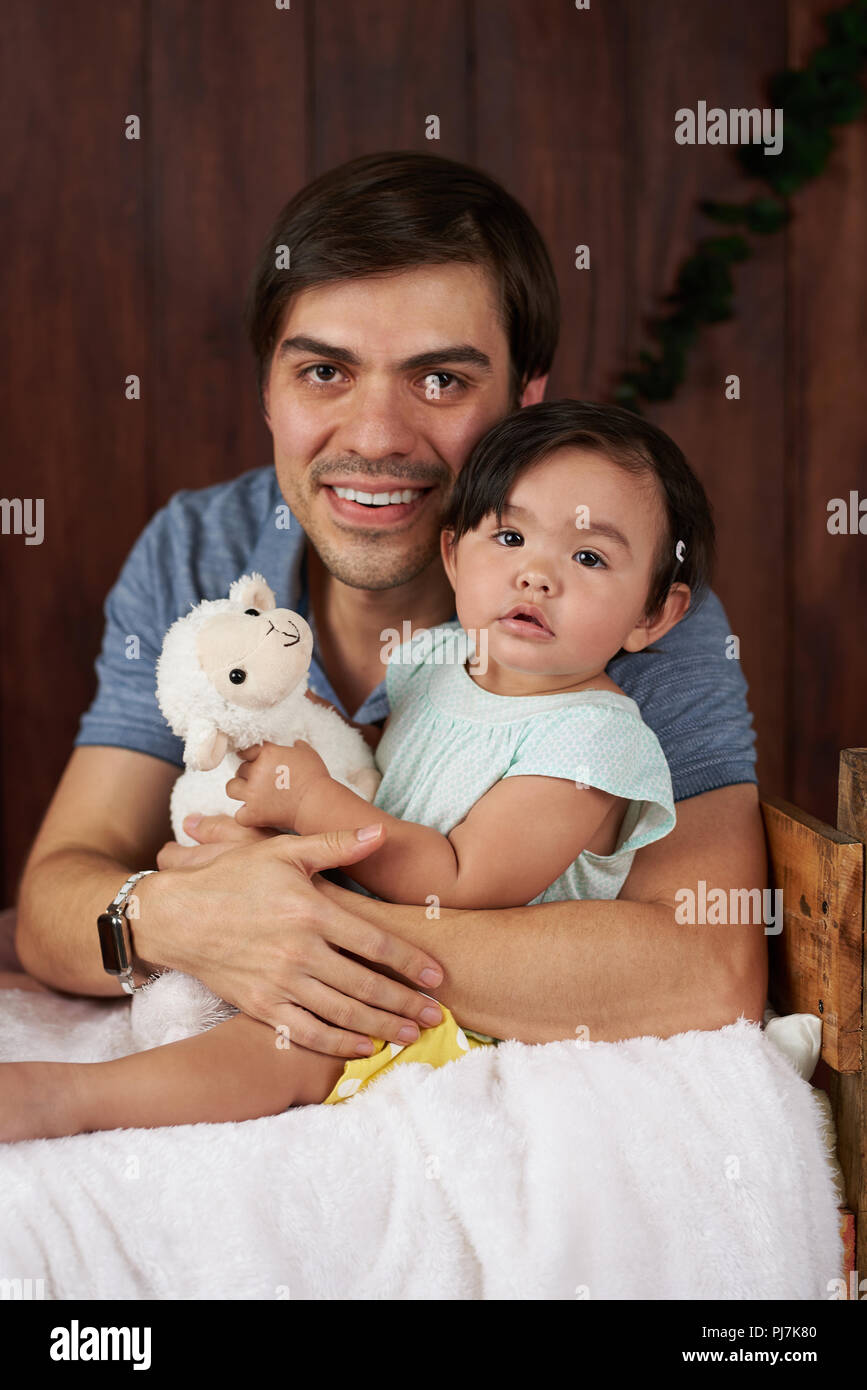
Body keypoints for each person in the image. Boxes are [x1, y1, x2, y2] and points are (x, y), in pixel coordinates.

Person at [11, 151, 767, 1085]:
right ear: (268, 390)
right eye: (324, 371)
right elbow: (55, 902)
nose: (374, 438)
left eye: (440, 380)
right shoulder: (201, 550)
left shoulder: (609, 602)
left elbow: (707, 967)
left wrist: (288, 923)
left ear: (525, 398)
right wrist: (181, 918)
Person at [1, 399, 712, 1136]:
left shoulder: (590, 741)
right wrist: (305, 732)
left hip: (472, 1008)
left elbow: (459, 880)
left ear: (653, 615)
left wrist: (313, 805)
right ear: (453, 556)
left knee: (294, 1047)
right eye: (508, 536)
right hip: (377, 934)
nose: (536, 576)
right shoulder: (439, 659)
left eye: (588, 557)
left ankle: (69, 1099)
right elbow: (385, 770)